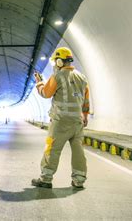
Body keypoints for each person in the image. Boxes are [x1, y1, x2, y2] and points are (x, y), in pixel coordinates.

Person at [31, 47, 90, 189]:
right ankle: (79, 180)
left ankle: (46, 178)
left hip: (60, 121)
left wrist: (39, 83)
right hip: (77, 121)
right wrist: (85, 116)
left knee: (52, 149)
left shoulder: (58, 76)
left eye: (54, 63)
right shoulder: (82, 77)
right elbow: (86, 100)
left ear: (59, 61)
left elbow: (46, 93)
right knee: (78, 151)